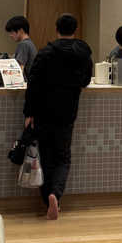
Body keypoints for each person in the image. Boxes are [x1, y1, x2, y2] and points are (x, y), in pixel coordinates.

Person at [23, 13, 92, 220]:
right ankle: (56, 195)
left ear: (56, 29)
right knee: (63, 157)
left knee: (46, 156)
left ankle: (48, 201)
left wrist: (29, 112)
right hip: (68, 111)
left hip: (43, 111)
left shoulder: (45, 53)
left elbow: (33, 84)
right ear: (75, 30)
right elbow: (85, 81)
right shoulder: (83, 53)